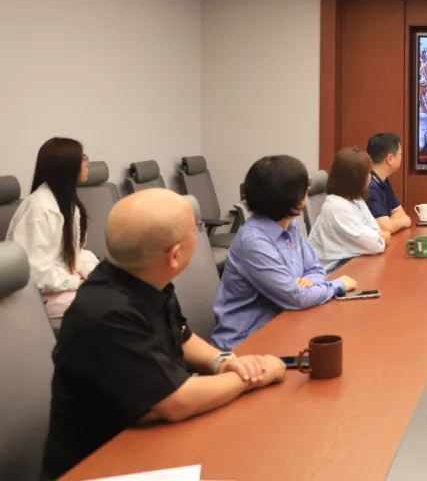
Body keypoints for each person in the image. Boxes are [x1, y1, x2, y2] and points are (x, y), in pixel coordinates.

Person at [42, 189, 285, 479]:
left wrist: (224, 362)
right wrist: (253, 377)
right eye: (195, 230)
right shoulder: (105, 312)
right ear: (175, 255)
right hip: (102, 465)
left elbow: (182, 336)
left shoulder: (142, 278)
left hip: (148, 441)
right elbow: (177, 401)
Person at [210, 156, 357, 349]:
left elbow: (315, 268)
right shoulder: (254, 242)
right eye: (305, 186)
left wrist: (309, 283)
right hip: (245, 342)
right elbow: (296, 297)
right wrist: (338, 285)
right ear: (289, 196)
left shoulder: (289, 224)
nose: (307, 191)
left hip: (285, 324)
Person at [5, 137, 98, 320]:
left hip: (61, 285)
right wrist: (77, 282)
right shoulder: (38, 209)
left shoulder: (68, 204)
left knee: (117, 293)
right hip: (39, 295)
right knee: (105, 304)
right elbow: (36, 273)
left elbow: (75, 253)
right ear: (67, 166)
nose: (87, 164)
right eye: (83, 159)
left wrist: (93, 271)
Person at [308, 147, 391, 271]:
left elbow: (376, 230)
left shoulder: (356, 199)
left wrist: (377, 237)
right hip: (331, 270)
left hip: (350, 261)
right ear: (355, 178)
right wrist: (381, 238)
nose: (370, 177)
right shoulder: (336, 207)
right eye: (367, 173)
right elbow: (376, 244)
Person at [366, 132, 413, 233]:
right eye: (400, 154)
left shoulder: (383, 180)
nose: (401, 157)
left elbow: (399, 212)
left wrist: (391, 223)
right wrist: (404, 222)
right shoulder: (369, 186)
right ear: (390, 159)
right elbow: (386, 228)